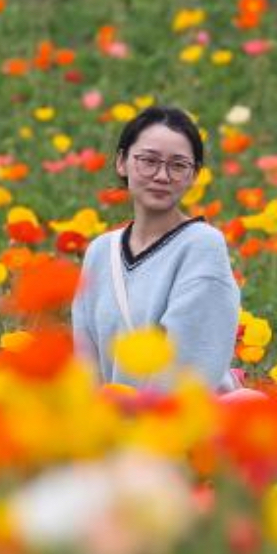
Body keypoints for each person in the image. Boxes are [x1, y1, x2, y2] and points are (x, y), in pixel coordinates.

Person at [72, 106, 243, 393]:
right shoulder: (100, 252)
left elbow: (189, 365)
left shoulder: (202, 245)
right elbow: (85, 361)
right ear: (122, 162)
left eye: (178, 165)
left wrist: (141, 415)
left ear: (194, 175)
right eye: (149, 161)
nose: (162, 176)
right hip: (108, 416)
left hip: (175, 416)